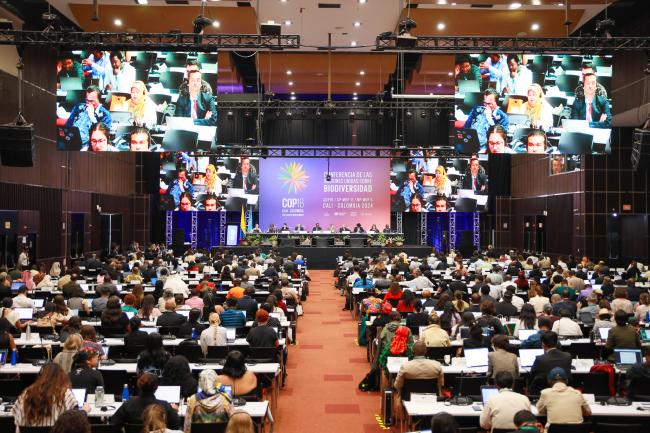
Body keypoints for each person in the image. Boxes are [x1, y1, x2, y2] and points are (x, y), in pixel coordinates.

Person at [12, 363, 89, 430]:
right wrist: (84, 411)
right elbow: (76, 421)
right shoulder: (65, 394)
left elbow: (15, 415)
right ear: (62, 377)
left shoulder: (26, 394)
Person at [110, 373, 180, 430]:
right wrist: (174, 411)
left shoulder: (128, 404)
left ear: (139, 385)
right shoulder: (164, 406)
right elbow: (176, 426)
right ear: (156, 387)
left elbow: (113, 424)